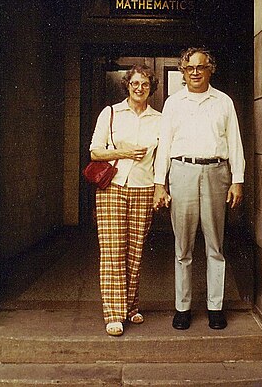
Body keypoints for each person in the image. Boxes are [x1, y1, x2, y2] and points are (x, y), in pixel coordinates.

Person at [153, 47, 244, 331]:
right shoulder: (173, 103)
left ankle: (215, 307)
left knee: (215, 244)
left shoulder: (223, 102)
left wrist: (237, 179)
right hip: (182, 172)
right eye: (190, 68)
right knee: (184, 246)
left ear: (210, 69)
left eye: (200, 67)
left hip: (217, 172)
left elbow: (235, 142)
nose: (195, 72)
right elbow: (164, 144)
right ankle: (183, 307)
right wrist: (160, 183)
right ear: (183, 71)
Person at [89, 64, 161, 336]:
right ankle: (114, 314)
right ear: (127, 86)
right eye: (134, 83)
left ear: (151, 88)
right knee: (112, 251)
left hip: (143, 187)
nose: (139, 88)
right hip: (112, 187)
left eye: (144, 84)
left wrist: (158, 188)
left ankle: (131, 306)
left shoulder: (159, 119)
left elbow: (162, 158)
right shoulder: (110, 113)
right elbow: (95, 152)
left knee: (135, 250)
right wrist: (123, 151)